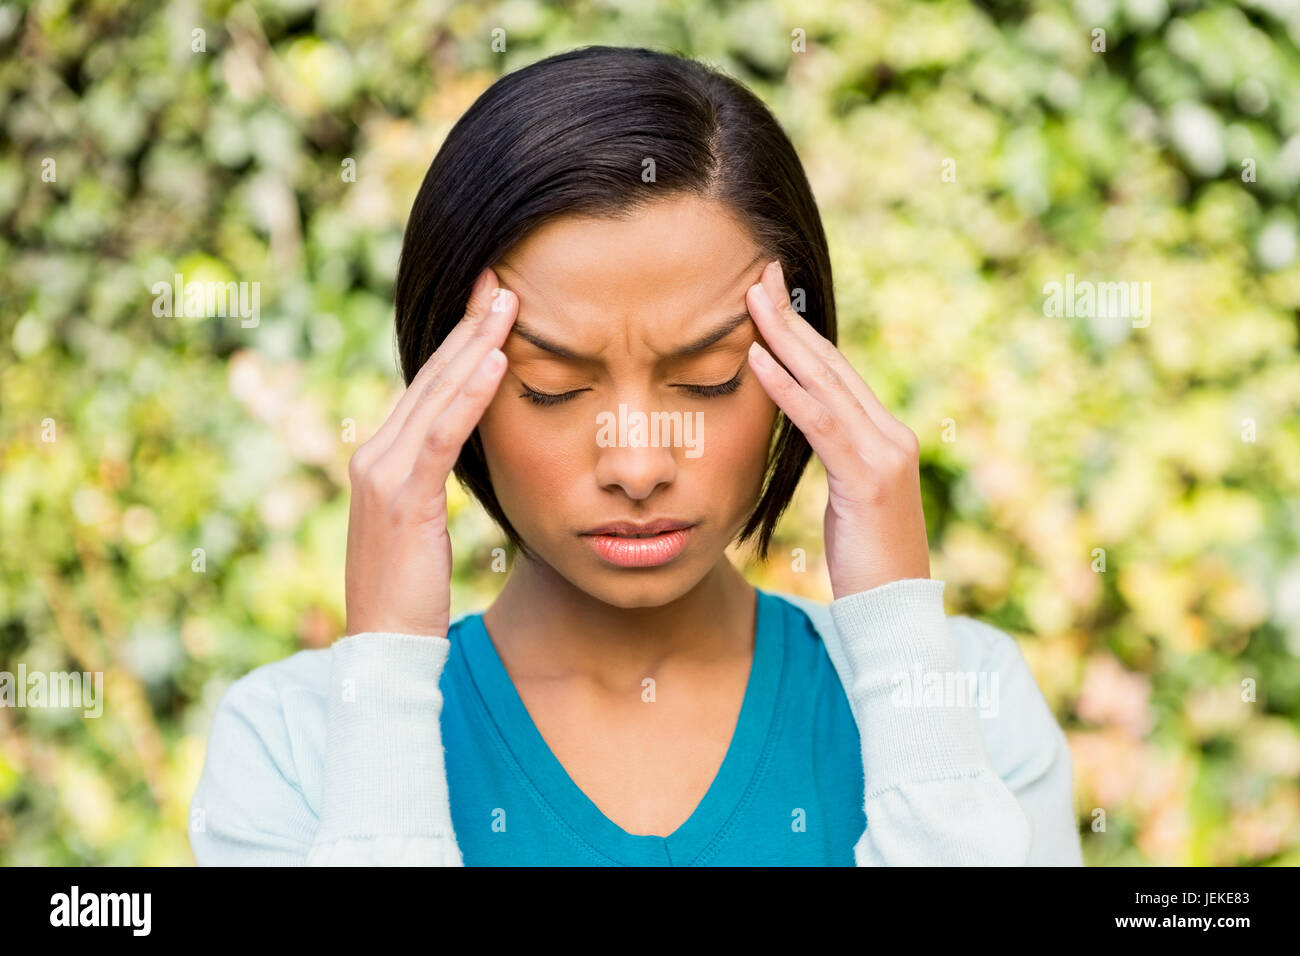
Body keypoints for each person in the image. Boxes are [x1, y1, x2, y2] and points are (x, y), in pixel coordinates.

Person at [189, 45, 1083, 866]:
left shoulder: (963, 702)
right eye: (551, 385)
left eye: (706, 379)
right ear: (446, 384)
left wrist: (898, 627)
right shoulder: (298, 740)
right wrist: (382, 669)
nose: (640, 464)